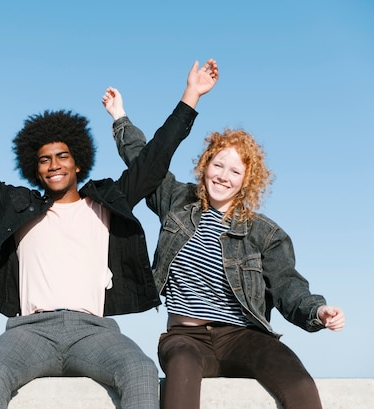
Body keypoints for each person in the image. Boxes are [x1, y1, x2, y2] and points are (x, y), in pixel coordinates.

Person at [0, 59, 218, 409]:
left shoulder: (106, 203)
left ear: (77, 162)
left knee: (140, 370)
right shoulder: (18, 205)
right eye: (45, 159)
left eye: (62, 156)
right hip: (29, 332)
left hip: (93, 332)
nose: (54, 165)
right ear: (35, 169)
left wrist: (191, 95)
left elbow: (155, 159)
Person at [105, 88, 346, 409]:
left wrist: (318, 311)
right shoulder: (178, 201)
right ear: (206, 166)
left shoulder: (265, 232)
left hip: (244, 338)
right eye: (218, 165)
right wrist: (120, 117)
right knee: (181, 376)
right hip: (186, 339)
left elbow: (290, 288)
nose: (223, 176)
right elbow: (144, 161)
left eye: (235, 171)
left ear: (247, 180)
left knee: (300, 385)